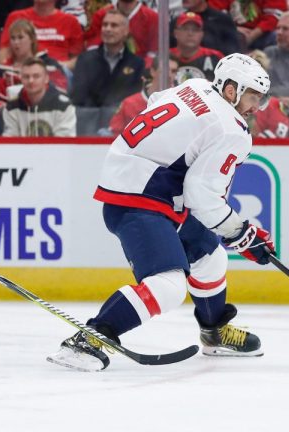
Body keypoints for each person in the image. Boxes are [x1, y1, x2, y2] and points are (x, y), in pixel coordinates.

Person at [47, 53, 276, 372]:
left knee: (209, 257)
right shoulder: (232, 130)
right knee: (169, 287)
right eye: (253, 96)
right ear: (231, 89)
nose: (256, 106)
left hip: (137, 187)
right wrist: (240, 233)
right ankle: (90, 338)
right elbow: (202, 194)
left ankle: (214, 333)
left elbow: (155, 101)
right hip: (143, 199)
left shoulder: (193, 86)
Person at [71, 9, 144, 108]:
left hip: (122, 120)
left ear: (126, 31)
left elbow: (133, 100)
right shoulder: (85, 59)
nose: (108, 29)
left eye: (114, 25)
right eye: (105, 25)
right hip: (89, 119)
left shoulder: (137, 64)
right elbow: (79, 97)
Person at [0, 0, 84, 70]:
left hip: (57, 75)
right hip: (22, 73)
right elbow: (3, 57)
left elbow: (78, 60)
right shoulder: (16, 17)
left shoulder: (71, 21)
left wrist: (57, 66)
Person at [0, 18, 69, 99]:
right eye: (13, 38)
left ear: (32, 39)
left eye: (20, 37)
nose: (16, 42)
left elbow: (61, 93)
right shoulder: (3, 70)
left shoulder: (49, 65)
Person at [2, 57, 76, 137]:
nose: (31, 81)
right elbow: (9, 143)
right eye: (26, 77)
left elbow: (64, 143)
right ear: (21, 79)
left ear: (46, 78)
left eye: (36, 76)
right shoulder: (12, 106)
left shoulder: (63, 106)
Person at [108, 54, 179, 135]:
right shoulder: (130, 103)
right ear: (152, 71)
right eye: (164, 71)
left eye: (173, 71)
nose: (169, 75)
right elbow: (113, 134)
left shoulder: (180, 102)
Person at [84, 0, 159, 61]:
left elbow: (153, 54)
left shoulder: (152, 17)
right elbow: (93, 48)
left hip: (140, 71)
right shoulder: (101, 15)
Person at [208, 0, 286, 50]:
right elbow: (214, 13)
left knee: (277, 36)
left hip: (263, 34)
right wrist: (233, 28)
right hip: (232, 31)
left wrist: (253, 35)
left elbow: (274, 16)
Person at [171, 11, 225, 83]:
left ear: (202, 34)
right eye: (185, 29)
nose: (190, 33)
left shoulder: (216, 57)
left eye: (195, 30)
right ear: (175, 33)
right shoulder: (164, 57)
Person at [174, 0, 242, 56]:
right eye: (186, 29)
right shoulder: (176, 22)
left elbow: (234, 54)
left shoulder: (223, 20)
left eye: (195, 29)